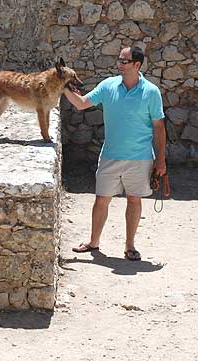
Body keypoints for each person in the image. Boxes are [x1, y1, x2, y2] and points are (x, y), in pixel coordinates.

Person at [63, 46, 166, 261]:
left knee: (134, 200)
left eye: (125, 61)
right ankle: (93, 242)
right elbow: (81, 104)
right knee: (101, 200)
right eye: (119, 59)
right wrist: (62, 85)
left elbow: (159, 127)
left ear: (137, 65)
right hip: (110, 155)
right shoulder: (108, 86)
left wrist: (161, 161)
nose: (119, 64)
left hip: (140, 158)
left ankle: (130, 246)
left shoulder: (151, 92)